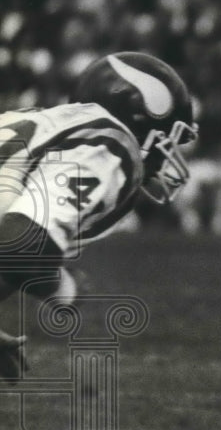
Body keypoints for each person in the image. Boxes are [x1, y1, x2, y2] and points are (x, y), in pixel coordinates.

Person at [0, 51, 197, 378]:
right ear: (142, 120)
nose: (169, 156)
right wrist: (63, 289)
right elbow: (20, 246)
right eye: (169, 138)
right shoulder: (112, 142)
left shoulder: (42, 121)